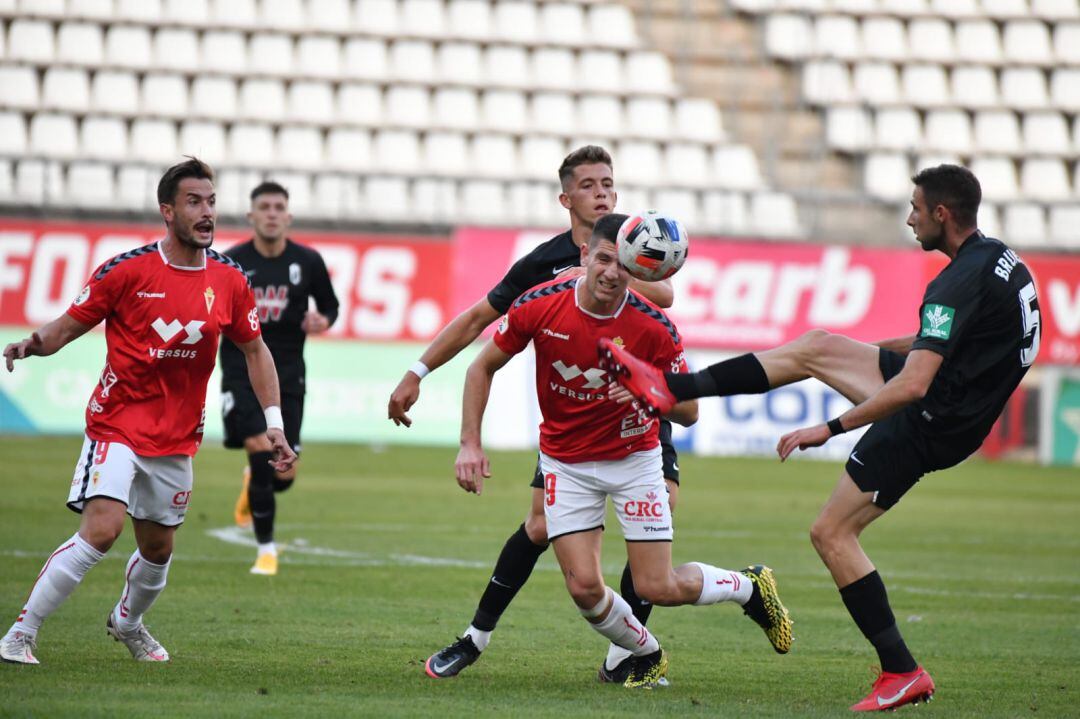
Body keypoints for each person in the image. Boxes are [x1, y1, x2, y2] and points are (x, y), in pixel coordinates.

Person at [600, 164, 1040, 709]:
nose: (909, 218)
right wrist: (855, 355)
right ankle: (673, 388)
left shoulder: (951, 283)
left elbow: (912, 386)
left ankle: (901, 670)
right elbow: (940, 342)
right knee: (816, 346)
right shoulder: (1000, 260)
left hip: (932, 419)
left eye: (916, 208)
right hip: (958, 402)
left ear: (942, 215)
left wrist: (825, 429)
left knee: (832, 534)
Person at [451, 213, 792, 688]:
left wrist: (648, 391)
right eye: (604, 259)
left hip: (634, 462)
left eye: (624, 265)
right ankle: (646, 653)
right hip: (565, 464)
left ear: (641, 272)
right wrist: (470, 441)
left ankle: (747, 587)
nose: (612, 272)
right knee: (584, 588)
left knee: (658, 586)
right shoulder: (538, 305)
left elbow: (690, 412)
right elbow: (480, 367)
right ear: (585, 256)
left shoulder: (654, 328)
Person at [390, 146, 679, 681]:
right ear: (566, 198)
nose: (602, 193)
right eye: (590, 185)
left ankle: (627, 655)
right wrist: (417, 371)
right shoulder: (541, 265)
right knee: (539, 526)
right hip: (574, 431)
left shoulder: (636, 251)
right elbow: (479, 318)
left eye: (609, 184)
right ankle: (475, 638)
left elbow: (665, 294)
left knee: (655, 550)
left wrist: (610, 266)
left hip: (640, 419)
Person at [0, 158, 296, 666]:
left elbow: (255, 351)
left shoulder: (228, 279)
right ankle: (19, 634)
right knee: (102, 529)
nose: (206, 213)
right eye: (193, 203)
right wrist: (32, 344)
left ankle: (128, 623)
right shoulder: (127, 270)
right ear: (167, 211)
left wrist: (275, 425)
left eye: (211, 202)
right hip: (117, 424)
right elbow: (69, 325)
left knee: (158, 550)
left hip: (177, 436)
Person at [222, 181, 339, 576]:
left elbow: (331, 306)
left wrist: (323, 319)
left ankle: (251, 484)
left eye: (278, 207)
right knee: (260, 448)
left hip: (288, 375)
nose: (271, 213)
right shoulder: (231, 262)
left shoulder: (308, 261)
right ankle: (266, 550)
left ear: (287, 216)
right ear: (252, 215)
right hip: (241, 372)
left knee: (283, 473)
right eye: (264, 207)